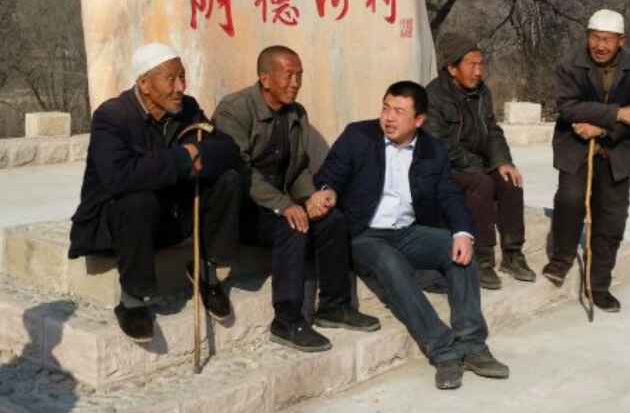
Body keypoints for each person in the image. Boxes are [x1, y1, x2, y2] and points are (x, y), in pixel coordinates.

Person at [314, 81, 508, 390]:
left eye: (399, 111)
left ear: (418, 120)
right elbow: (329, 175)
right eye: (385, 108)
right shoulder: (358, 136)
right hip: (365, 235)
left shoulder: (433, 149)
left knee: (458, 251)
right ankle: (443, 351)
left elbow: (449, 194)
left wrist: (462, 233)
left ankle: (472, 344)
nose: (389, 117)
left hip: (408, 232)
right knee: (390, 263)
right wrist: (328, 192)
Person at [69, 42, 243, 341]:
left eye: (182, 77)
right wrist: (182, 158)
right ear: (144, 84)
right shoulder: (112, 116)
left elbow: (227, 149)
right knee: (137, 197)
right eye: (170, 79)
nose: (180, 87)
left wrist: (199, 154)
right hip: (118, 225)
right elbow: (118, 177)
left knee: (229, 179)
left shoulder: (187, 108)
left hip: (168, 218)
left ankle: (206, 269)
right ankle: (133, 298)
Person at [213, 45, 380, 353]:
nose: (295, 83)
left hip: (280, 204)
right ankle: (287, 319)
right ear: (265, 79)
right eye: (288, 75)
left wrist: (310, 197)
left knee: (332, 219)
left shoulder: (296, 114)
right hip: (243, 211)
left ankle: (334, 306)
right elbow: (240, 170)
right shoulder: (234, 110)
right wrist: (285, 205)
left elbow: (299, 168)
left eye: (299, 75)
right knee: (292, 226)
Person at [543, 9, 630, 312]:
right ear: (587, 37)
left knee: (611, 217)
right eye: (595, 38)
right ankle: (561, 259)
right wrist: (616, 113)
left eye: (607, 40)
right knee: (570, 199)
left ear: (621, 41)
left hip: (617, 149)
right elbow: (568, 107)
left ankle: (599, 285)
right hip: (575, 146)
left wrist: (604, 128)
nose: (600, 46)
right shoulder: (570, 65)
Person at [425, 33, 535, 290]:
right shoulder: (433, 96)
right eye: (471, 65)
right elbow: (439, 144)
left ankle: (513, 253)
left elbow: (493, 130)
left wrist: (502, 161)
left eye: (481, 64)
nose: (478, 71)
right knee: (482, 183)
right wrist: (478, 166)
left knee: (510, 180)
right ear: (452, 68)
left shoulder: (482, 92)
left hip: (476, 162)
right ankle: (482, 258)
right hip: (447, 167)